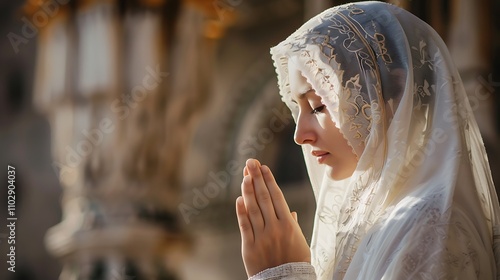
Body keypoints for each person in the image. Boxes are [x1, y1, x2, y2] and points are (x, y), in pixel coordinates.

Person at [235, 1, 500, 279]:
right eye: (298, 109)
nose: (300, 136)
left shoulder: (427, 228)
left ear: (389, 98)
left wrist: (282, 273)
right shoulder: (379, 225)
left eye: (318, 106)